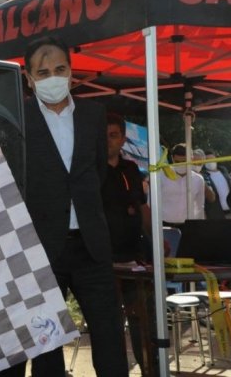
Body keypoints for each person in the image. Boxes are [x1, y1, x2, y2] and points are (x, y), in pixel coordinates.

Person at [3, 36, 128, 377]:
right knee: (46, 344)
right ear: (29, 78)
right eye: (43, 73)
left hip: (91, 245)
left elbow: (97, 171)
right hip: (41, 248)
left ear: (71, 72)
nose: (53, 78)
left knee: (109, 335)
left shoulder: (93, 114)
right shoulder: (18, 117)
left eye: (60, 69)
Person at [102, 113, 157, 375]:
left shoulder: (132, 170)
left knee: (143, 320)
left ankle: (150, 370)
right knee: (110, 324)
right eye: (103, 136)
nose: (108, 141)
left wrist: (156, 239)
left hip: (135, 256)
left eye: (113, 135)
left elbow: (142, 206)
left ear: (123, 139)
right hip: (103, 260)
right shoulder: (89, 170)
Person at [161, 143, 206, 227]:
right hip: (164, 225)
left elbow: (200, 207)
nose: (181, 164)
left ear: (191, 159)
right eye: (177, 162)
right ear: (172, 159)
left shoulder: (198, 179)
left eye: (184, 161)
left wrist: (201, 227)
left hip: (189, 226)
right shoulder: (161, 176)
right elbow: (151, 204)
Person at [203, 148, 231, 219]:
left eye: (212, 159)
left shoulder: (223, 170)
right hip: (216, 215)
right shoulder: (203, 175)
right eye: (207, 160)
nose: (210, 162)